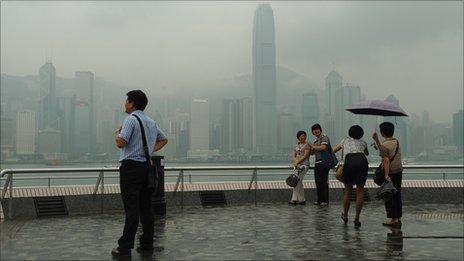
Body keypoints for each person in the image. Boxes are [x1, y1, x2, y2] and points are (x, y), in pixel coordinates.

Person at [112, 90, 168, 257]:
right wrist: (149, 151)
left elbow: (121, 143)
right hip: (145, 167)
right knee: (146, 207)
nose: (125, 104)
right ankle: (147, 243)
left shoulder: (130, 120)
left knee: (131, 207)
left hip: (130, 167)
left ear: (132, 103)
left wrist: (117, 134)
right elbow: (164, 139)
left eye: (126, 101)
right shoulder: (151, 122)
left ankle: (124, 247)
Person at [333, 125, 369, 227]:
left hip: (350, 161)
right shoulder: (363, 143)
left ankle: (345, 215)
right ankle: (357, 218)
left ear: (350, 133)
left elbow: (333, 150)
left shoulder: (345, 141)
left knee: (348, 190)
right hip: (362, 160)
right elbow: (366, 153)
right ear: (361, 134)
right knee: (360, 190)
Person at [372, 122, 403, 228]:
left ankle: (393, 219)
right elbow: (384, 150)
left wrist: (386, 175)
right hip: (398, 171)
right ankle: (397, 217)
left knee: (389, 195)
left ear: (382, 132)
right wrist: (376, 140)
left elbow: (386, 160)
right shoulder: (396, 141)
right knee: (397, 194)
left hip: (390, 173)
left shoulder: (385, 144)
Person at [310, 124, 333, 207]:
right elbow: (313, 153)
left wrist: (313, 147)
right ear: (312, 132)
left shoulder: (324, 137)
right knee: (318, 182)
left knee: (323, 182)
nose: (316, 131)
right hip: (317, 163)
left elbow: (323, 147)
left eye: (317, 130)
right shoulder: (315, 141)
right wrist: (311, 149)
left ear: (320, 130)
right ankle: (319, 200)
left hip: (324, 162)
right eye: (314, 130)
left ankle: (325, 201)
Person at [290, 131, 312, 205]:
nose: (303, 137)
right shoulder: (296, 146)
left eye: (304, 135)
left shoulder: (307, 145)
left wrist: (297, 162)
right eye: (302, 136)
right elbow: (293, 155)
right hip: (297, 165)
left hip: (304, 165)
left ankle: (294, 199)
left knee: (297, 180)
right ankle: (302, 200)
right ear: (298, 137)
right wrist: (296, 162)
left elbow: (305, 156)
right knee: (299, 181)